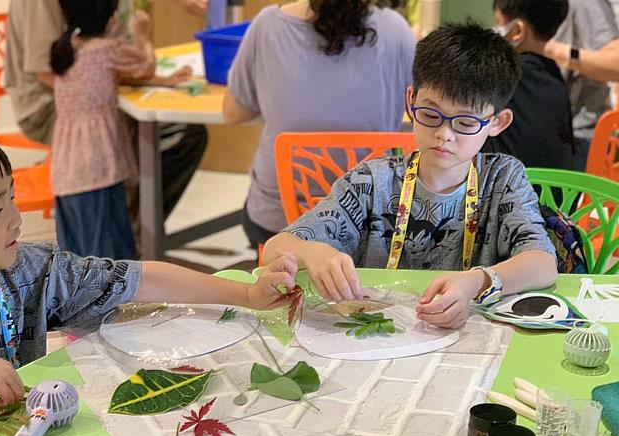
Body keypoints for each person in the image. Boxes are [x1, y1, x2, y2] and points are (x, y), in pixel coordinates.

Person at [0, 116, 296, 418]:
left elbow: (138, 278)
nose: (16, 219)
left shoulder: (27, 273)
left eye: (12, 198)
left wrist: (247, 295)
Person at [262, 23, 558, 330]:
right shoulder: (370, 182)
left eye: (466, 123)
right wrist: (313, 251)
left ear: (497, 122)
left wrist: (477, 281)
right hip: (379, 337)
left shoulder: (503, 179)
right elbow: (273, 248)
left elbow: (542, 262)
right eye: (431, 115)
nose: (445, 134)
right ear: (411, 100)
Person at [222, 0, 416, 251]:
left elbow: (233, 113)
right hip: (371, 220)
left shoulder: (268, 26)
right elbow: (423, 112)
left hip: (280, 220)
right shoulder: (396, 30)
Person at [5, 0, 207, 221]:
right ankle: (132, 228)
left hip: (99, 89)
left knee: (186, 133)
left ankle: (133, 227)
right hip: (49, 104)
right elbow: (46, 73)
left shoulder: (102, 49)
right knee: (157, 136)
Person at [48, 0, 191, 258]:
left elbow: (112, 76)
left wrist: (165, 81)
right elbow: (145, 65)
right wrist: (142, 34)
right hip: (98, 167)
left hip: (67, 168)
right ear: (113, 19)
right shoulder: (107, 50)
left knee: (77, 255)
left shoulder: (66, 49)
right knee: (110, 259)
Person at [483, 0, 574, 172]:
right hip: (558, 196)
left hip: (504, 194)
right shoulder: (555, 79)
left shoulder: (499, 75)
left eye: (498, 23)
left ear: (517, 31)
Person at [542, 0, 619, 170]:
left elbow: (616, 64)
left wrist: (553, 50)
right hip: (549, 133)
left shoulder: (584, 3)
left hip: (580, 139)